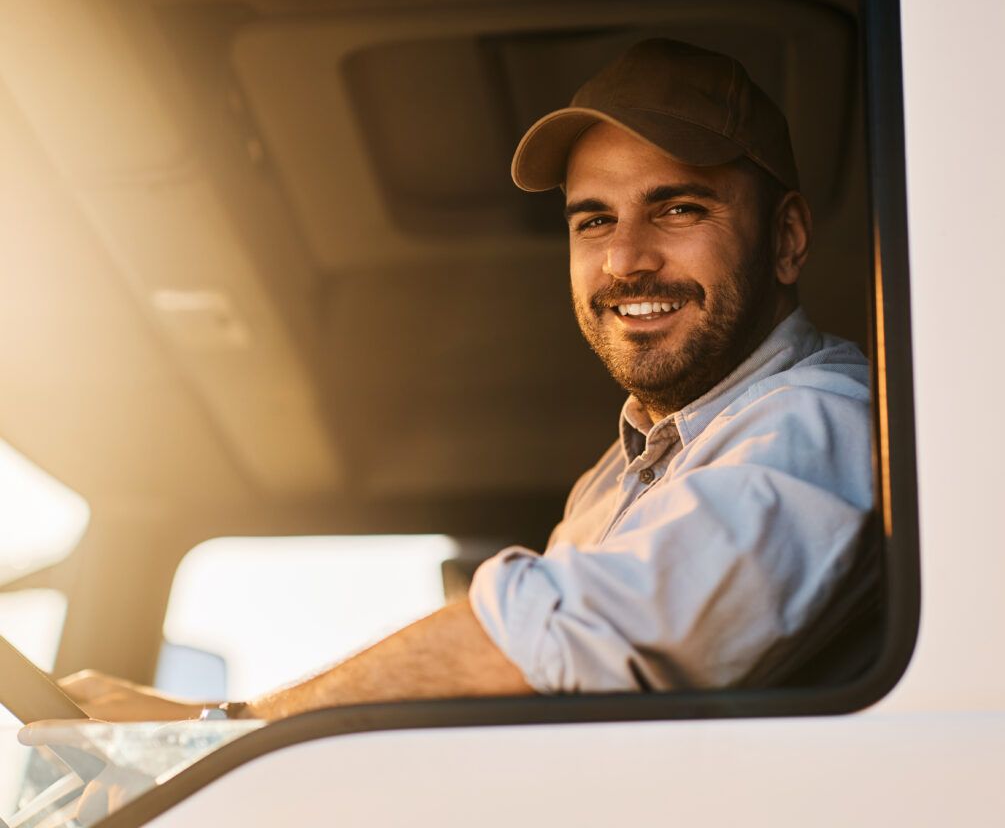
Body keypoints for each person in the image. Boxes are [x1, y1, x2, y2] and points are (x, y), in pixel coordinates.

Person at [28, 38, 872, 725]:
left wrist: (220, 727)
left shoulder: (820, 418)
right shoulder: (622, 474)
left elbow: (572, 629)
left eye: (678, 208)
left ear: (786, 238)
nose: (623, 259)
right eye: (593, 220)